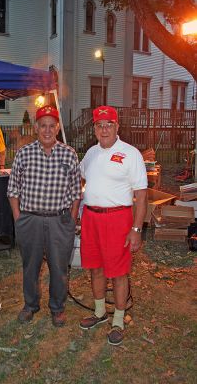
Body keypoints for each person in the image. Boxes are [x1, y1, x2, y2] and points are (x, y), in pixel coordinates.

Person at [7, 105, 81, 327]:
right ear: (36, 128)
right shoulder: (24, 154)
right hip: (30, 219)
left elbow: (76, 192)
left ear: (57, 128)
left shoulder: (69, 154)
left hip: (60, 220)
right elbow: (13, 190)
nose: (47, 130)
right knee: (31, 265)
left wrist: (71, 220)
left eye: (51, 126)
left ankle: (57, 308)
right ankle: (30, 305)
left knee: (59, 267)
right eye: (43, 126)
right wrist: (18, 218)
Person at [79, 105, 147, 346]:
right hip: (91, 218)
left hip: (118, 219)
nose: (104, 129)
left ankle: (118, 320)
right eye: (99, 125)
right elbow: (81, 179)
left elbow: (141, 194)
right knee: (95, 268)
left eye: (109, 125)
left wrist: (136, 229)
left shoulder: (131, 154)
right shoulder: (90, 154)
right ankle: (99, 313)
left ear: (117, 126)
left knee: (118, 273)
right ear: (95, 129)